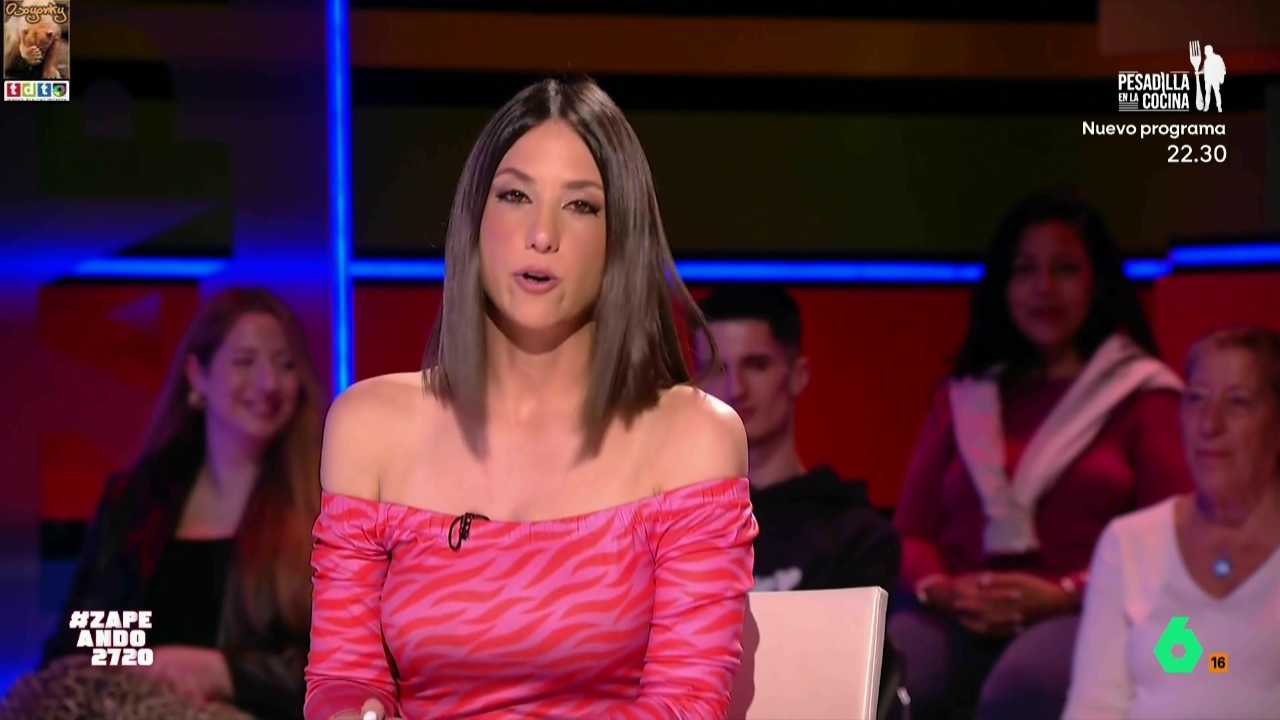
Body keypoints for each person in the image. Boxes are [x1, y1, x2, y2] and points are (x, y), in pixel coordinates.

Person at [305, 77, 757, 720]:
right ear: (474, 220)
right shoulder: (368, 427)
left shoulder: (693, 437)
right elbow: (342, 679)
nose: (541, 234)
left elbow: (685, 704)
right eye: (515, 196)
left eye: (581, 206)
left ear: (621, 239)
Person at [888, 188, 1194, 720]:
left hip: (1091, 609)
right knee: (885, 671)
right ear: (1002, 286)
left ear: (1097, 282)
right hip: (961, 611)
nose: (1044, 288)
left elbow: (1171, 537)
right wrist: (942, 590)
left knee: (1023, 686)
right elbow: (911, 533)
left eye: (1065, 269)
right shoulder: (964, 397)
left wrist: (1065, 593)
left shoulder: (1144, 397)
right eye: (1025, 270)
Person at [39, 286, 324, 720]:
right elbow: (77, 641)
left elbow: (345, 667)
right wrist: (145, 662)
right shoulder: (135, 503)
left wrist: (223, 673)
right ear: (197, 375)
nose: (268, 383)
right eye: (245, 362)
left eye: (286, 364)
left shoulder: (323, 505)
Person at [1063, 325, 1280, 720]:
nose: (1209, 424)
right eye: (1195, 399)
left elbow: (1219, 664)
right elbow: (1095, 706)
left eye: (1238, 403)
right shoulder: (1128, 542)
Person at [693, 283, 899, 595]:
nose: (736, 389)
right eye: (718, 369)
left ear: (799, 375)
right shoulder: (671, 527)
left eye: (757, 365)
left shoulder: (855, 536)